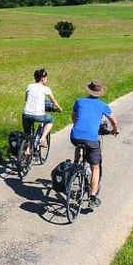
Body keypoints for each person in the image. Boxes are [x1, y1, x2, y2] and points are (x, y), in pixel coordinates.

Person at [70, 79, 119, 207]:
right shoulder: (103, 106)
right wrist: (115, 130)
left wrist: (77, 124)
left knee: (79, 143)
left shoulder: (79, 101)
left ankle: (76, 164)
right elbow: (114, 121)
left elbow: (74, 116)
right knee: (95, 167)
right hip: (91, 139)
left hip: (75, 136)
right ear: (100, 93)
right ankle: (92, 197)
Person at [22, 68, 62, 148]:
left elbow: (26, 100)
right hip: (39, 115)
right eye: (46, 78)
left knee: (28, 134)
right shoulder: (46, 88)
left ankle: (27, 151)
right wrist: (59, 108)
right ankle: (42, 139)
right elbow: (53, 101)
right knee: (51, 120)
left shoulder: (29, 86)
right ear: (43, 78)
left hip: (26, 114)